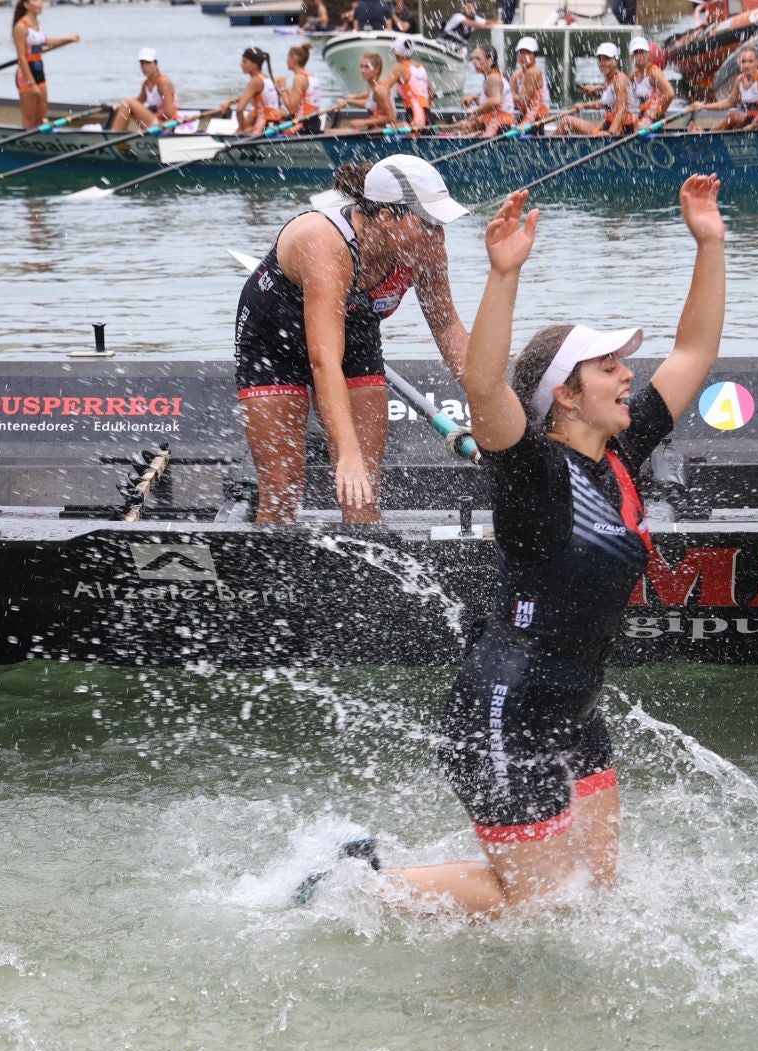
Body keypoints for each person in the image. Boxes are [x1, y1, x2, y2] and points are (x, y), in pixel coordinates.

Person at [317, 176, 725, 916]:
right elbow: (483, 387)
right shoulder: (533, 473)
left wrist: (710, 242)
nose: (628, 376)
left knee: (596, 890)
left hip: (577, 708)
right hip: (504, 713)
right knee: (537, 903)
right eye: (608, 368)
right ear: (565, 395)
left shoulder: (621, 454)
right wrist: (504, 274)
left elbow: (695, 350)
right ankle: (354, 884)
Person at [233, 157, 470, 524]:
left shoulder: (425, 248)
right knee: (282, 490)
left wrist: (487, 399)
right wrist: (347, 453)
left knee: (363, 497)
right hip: (273, 336)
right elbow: (324, 361)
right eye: (427, 224)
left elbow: (448, 326)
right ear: (386, 217)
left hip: (355, 330)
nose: (436, 236)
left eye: (440, 224)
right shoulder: (326, 243)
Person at [11, 0, 78, 131]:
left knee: (41, 117)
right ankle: (26, 140)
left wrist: (68, 39)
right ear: (26, 5)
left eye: (40, 0)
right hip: (26, 76)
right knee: (30, 119)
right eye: (35, 1)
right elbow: (21, 58)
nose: (40, 3)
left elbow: (46, 42)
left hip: (39, 72)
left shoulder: (37, 24)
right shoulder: (21, 27)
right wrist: (32, 84)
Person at [691, 45, 758, 131]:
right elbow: (729, 102)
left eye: (750, 61)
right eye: (743, 62)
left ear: (757, 62)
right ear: (739, 63)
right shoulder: (740, 80)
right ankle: (707, 134)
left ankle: (707, 135)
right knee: (733, 124)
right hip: (751, 120)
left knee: (732, 118)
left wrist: (754, 122)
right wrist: (704, 106)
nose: (746, 65)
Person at [553, 43, 633, 136]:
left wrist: (610, 133)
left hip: (620, 129)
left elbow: (621, 110)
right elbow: (603, 103)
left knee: (566, 121)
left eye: (606, 59)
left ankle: (550, 143)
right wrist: (584, 106)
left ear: (616, 61)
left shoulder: (620, 81)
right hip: (609, 124)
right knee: (566, 122)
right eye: (600, 59)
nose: (602, 63)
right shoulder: (609, 79)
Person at [107, 47, 178, 134]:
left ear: (155, 63)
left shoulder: (163, 81)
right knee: (124, 106)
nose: (144, 67)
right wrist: (118, 106)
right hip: (153, 121)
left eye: (148, 63)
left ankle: (114, 134)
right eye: (142, 64)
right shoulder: (146, 84)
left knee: (127, 101)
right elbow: (137, 103)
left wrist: (148, 115)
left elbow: (169, 113)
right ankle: (117, 134)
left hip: (166, 125)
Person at [218, 47, 287, 136]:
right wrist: (230, 102)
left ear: (255, 65)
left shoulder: (255, 81)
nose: (241, 65)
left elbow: (239, 109)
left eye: (244, 62)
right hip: (274, 123)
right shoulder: (266, 79)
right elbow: (251, 98)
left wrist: (241, 131)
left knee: (242, 129)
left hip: (265, 125)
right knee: (249, 120)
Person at [458, 42, 516, 135]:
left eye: (478, 59)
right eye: (473, 58)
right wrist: (474, 98)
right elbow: (492, 98)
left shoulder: (492, 78)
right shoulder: (495, 75)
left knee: (463, 131)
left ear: (490, 60)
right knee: (463, 128)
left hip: (499, 124)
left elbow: (495, 101)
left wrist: (475, 113)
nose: (474, 62)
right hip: (501, 122)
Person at [332, 52, 398, 131]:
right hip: (374, 130)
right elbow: (370, 102)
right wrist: (348, 101)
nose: (362, 70)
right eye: (361, 66)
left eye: (367, 67)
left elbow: (392, 117)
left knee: (330, 133)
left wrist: (363, 122)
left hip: (384, 133)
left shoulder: (379, 90)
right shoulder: (373, 87)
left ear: (377, 70)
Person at [385, 34, 432, 130]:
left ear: (397, 51)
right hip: (427, 114)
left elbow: (383, 88)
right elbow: (430, 94)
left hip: (415, 115)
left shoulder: (400, 68)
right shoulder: (421, 67)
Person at [629, 34, 674, 124]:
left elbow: (670, 94)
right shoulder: (634, 75)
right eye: (636, 53)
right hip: (643, 114)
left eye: (642, 52)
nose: (639, 56)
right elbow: (621, 87)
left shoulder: (654, 72)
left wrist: (656, 113)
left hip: (653, 118)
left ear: (648, 53)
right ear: (632, 56)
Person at [510, 36, 551, 127]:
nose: (523, 56)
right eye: (521, 52)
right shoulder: (517, 73)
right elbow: (514, 99)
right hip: (526, 114)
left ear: (535, 55)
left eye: (528, 53)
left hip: (537, 117)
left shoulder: (533, 72)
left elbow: (522, 101)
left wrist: (511, 97)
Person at [279, 42, 323, 126]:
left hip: (302, 125)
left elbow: (292, 109)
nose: (287, 60)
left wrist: (282, 87)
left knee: (273, 117)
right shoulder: (312, 77)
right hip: (314, 122)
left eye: (288, 57)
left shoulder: (299, 79)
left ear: (294, 58)